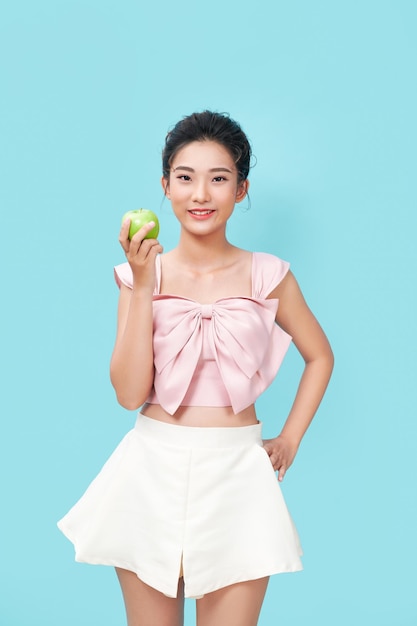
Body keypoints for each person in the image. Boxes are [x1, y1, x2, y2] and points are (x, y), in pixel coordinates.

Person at [58, 110, 334, 626]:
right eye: (185, 178)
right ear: (165, 186)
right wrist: (144, 284)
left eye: (219, 178)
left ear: (241, 188)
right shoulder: (137, 276)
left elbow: (320, 356)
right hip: (149, 471)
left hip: (238, 475)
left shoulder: (268, 275)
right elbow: (128, 392)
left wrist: (290, 439)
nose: (200, 194)